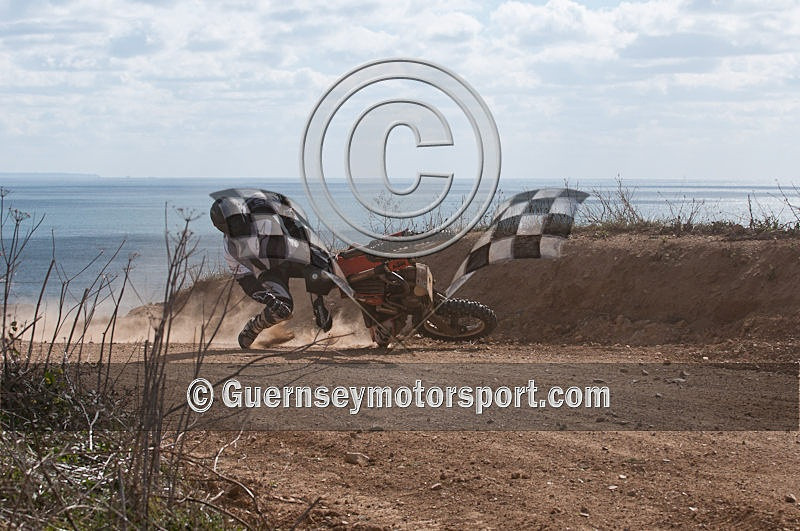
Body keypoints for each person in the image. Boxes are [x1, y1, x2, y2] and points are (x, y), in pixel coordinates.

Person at [209, 190, 332, 349]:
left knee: (322, 263)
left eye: (238, 222)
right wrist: (269, 300)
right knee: (283, 310)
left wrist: (297, 233)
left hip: (291, 252)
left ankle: (319, 304)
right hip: (268, 271)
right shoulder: (230, 249)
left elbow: (285, 202)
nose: (237, 229)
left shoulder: (261, 205)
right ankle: (254, 326)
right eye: (230, 227)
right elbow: (246, 281)